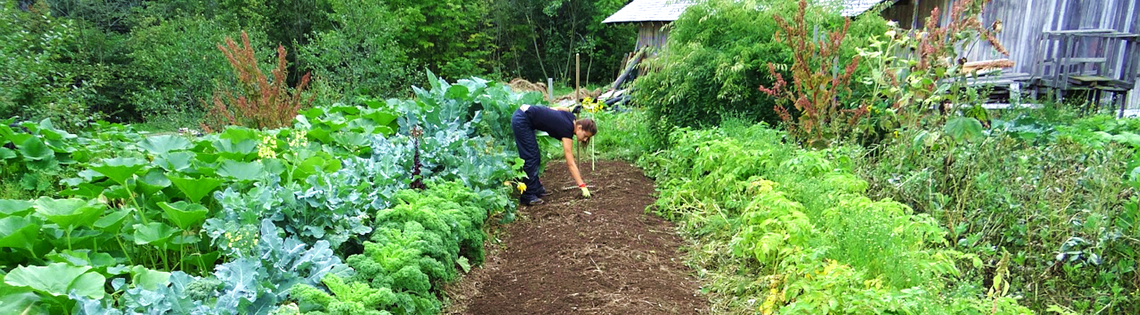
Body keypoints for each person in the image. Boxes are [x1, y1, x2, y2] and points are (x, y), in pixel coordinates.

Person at [511, 104, 597, 206]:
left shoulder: (571, 117)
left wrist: (569, 109)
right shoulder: (566, 129)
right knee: (530, 157)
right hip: (522, 120)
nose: (585, 139)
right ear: (579, 127)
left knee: (535, 156)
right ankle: (528, 196)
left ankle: (536, 188)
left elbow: (555, 109)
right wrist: (582, 185)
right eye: (585, 136)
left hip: (525, 113)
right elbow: (570, 163)